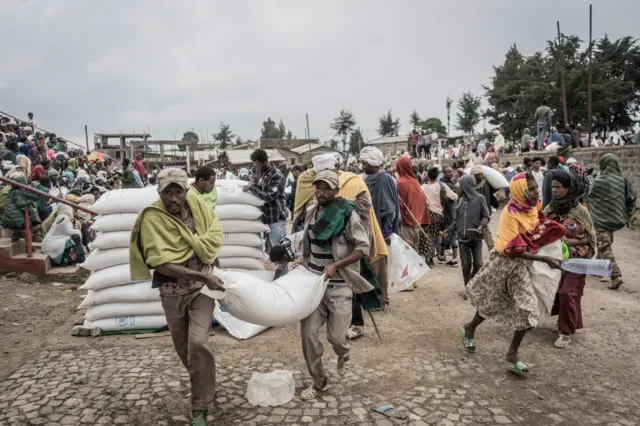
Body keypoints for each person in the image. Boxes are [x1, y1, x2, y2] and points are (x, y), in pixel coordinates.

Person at [129, 168, 224, 426]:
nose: (173, 198)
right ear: (159, 193)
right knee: (185, 351)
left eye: (178, 192)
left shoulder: (199, 209)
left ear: (186, 191)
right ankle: (207, 388)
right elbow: (160, 264)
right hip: (172, 293)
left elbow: (213, 236)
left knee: (198, 344)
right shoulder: (152, 218)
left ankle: (199, 409)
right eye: (167, 193)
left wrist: (206, 275)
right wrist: (205, 276)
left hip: (201, 291)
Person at [461, 172, 565, 375]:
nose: (536, 192)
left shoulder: (532, 207)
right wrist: (545, 259)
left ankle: (512, 353)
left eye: (536, 188)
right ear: (520, 191)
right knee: (491, 302)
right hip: (503, 262)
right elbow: (512, 249)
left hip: (521, 266)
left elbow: (536, 228)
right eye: (531, 189)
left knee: (528, 309)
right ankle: (470, 328)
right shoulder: (510, 213)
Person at [296, 170, 373, 401]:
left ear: (336, 191)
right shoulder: (310, 212)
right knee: (308, 335)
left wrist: (337, 265)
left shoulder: (347, 214)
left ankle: (343, 354)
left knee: (337, 339)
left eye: (327, 188)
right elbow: (309, 247)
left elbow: (363, 248)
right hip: (314, 284)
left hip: (340, 285)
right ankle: (319, 382)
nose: (321, 192)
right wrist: (303, 260)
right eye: (318, 187)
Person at [544, 171, 597, 348]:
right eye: (552, 187)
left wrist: (568, 241)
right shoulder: (550, 208)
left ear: (568, 188)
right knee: (555, 291)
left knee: (568, 292)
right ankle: (563, 321)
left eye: (558, 187)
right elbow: (540, 229)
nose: (554, 190)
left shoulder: (581, 211)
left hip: (577, 258)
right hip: (556, 258)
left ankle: (565, 332)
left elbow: (590, 238)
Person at [587, 154, 636, 290]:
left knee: (604, 245)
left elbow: (590, 196)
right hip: (616, 218)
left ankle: (616, 275)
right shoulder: (623, 180)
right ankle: (597, 268)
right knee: (605, 241)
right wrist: (626, 213)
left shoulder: (599, 181)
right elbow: (632, 197)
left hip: (600, 218)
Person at [360, 146, 399, 306]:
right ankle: (374, 298)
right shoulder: (369, 179)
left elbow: (388, 209)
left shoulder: (383, 180)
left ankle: (381, 299)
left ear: (373, 163)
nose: (363, 167)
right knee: (371, 266)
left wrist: (385, 234)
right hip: (369, 229)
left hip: (379, 231)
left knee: (379, 267)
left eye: (365, 164)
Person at [442, 175, 490, 288]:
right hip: (463, 239)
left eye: (460, 186)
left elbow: (486, 216)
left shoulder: (480, 198)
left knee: (478, 264)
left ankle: (472, 283)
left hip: (476, 237)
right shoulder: (460, 201)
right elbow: (456, 221)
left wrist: (481, 226)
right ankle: (468, 287)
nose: (458, 189)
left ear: (466, 186)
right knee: (466, 266)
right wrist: (447, 231)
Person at [244, 149, 287, 253]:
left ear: (263, 162)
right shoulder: (265, 174)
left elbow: (269, 197)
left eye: (257, 165)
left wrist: (251, 189)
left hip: (276, 219)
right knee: (271, 251)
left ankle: (283, 270)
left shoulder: (277, 175)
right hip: (268, 218)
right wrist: (252, 185)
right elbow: (263, 188)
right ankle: (276, 269)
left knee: (279, 252)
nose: (257, 168)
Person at [420, 166, 458, 267]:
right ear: (437, 176)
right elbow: (454, 196)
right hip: (439, 215)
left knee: (427, 236)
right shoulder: (442, 185)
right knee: (435, 236)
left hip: (427, 214)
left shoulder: (422, 187)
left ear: (427, 176)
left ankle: (429, 259)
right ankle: (434, 256)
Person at [396, 156, 430, 255]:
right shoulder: (415, 182)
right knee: (415, 249)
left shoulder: (400, 183)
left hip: (405, 222)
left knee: (407, 252)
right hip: (417, 221)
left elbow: (398, 204)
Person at [472, 165, 498, 250]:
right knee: (482, 228)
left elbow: (489, 196)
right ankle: (490, 246)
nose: (480, 176)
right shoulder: (471, 185)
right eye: (478, 175)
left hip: (484, 209)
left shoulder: (485, 183)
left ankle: (491, 247)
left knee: (484, 227)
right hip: (474, 210)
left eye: (481, 174)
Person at [438, 165, 459, 265]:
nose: (451, 173)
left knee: (445, 233)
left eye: (451, 171)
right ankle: (454, 258)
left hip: (448, 211)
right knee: (452, 233)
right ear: (444, 173)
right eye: (449, 172)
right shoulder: (445, 185)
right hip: (448, 212)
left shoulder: (448, 183)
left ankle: (442, 256)